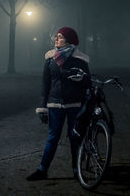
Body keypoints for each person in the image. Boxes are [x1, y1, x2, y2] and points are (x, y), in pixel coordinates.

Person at [27, 26, 91, 181]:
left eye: (60, 36)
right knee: (52, 138)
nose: (56, 39)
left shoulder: (80, 59)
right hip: (54, 105)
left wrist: (82, 79)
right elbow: (45, 84)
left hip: (74, 104)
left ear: (69, 39)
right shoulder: (50, 58)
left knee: (75, 137)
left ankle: (77, 170)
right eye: (56, 36)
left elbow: (87, 81)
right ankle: (42, 170)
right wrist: (42, 107)